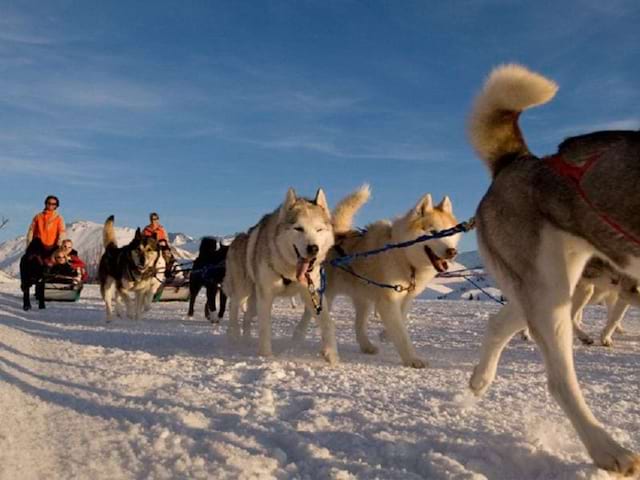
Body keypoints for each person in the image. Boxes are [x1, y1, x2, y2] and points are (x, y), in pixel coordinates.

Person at [142, 212, 174, 278]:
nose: (154, 220)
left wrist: (163, 242)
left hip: (162, 246)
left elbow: (166, 238)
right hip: (150, 247)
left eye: (155, 219)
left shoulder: (161, 229)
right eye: (152, 219)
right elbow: (142, 238)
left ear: (158, 219)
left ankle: (168, 272)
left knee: (170, 257)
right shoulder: (146, 229)